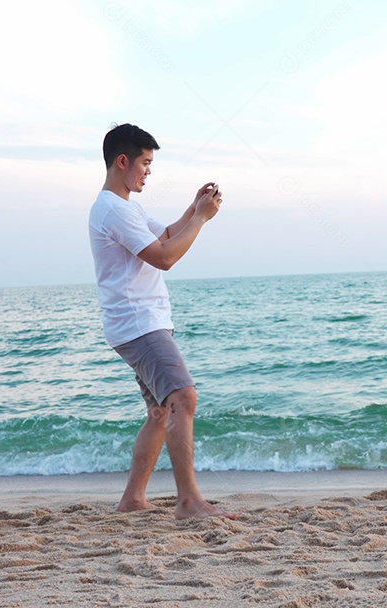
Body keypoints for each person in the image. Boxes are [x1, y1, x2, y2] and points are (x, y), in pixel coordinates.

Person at [88, 123, 236, 519]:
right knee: (183, 398)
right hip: (139, 322)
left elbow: (166, 236)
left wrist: (193, 209)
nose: (149, 171)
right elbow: (165, 257)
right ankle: (188, 501)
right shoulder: (111, 210)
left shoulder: (125, 208)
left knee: (159, 413)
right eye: (145, 163)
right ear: (123, 162)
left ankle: (132, 499)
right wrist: (202, 220)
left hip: (139, 322)